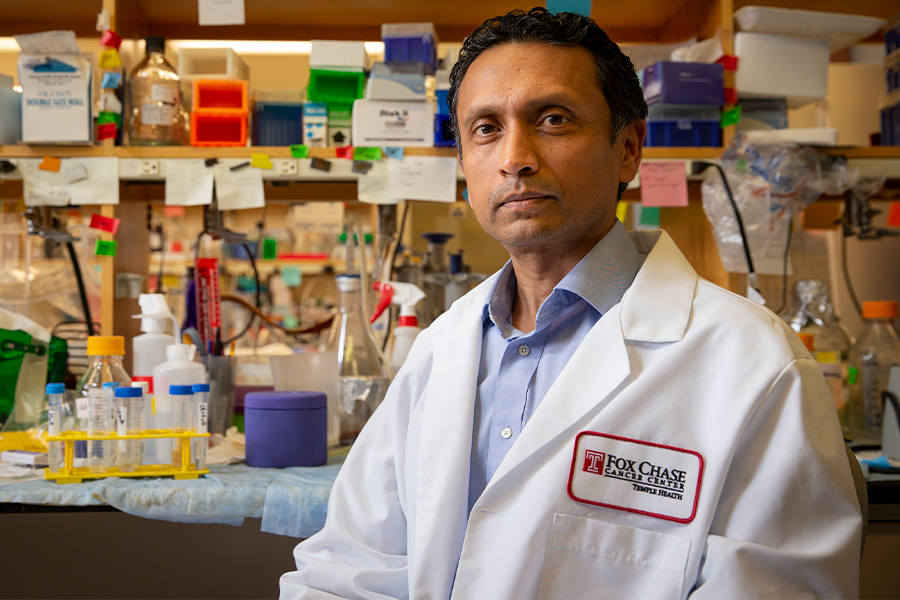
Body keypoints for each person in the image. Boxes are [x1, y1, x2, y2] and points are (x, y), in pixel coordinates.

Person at [280, 8, 862, 599]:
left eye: (553, 119)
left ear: (629, 148)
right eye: (485, 128)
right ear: (463, 163)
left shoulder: (755, 363)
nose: (514, 156)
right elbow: (345, 570)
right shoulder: (440, 349)